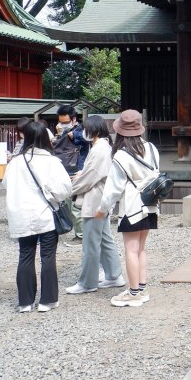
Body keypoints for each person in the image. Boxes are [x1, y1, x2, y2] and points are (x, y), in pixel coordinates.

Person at [3, 121, 72, 313]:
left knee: (25, 256)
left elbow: (7, 185)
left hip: (21, 216)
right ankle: (47, 300)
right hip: (45, 216)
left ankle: (25, 301)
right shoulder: (51, 162)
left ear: (25, 137)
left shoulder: (15, 163)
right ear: (45, 138)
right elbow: (65, 189)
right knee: (47, 257)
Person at [95, 110, 159, 308]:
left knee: (130, 249)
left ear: (120, 131)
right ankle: (141, 288)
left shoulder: (121, 156)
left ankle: (133, 294)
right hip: (150, 204)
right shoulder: (151, 148)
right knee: (140, 248)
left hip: (132, 206)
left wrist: (102, 209)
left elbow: (113, 189)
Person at [66, 115, 125, 295]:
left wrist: (70, 188)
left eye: (86, 129)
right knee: (104, 239)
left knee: (90, 243)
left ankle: (87, 283)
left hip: (94, 201)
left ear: (94, 130)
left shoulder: (100, 150)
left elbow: (91, 175)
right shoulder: (102, 147)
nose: (83, 132)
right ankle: (114, 275)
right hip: (100, 199)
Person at [55, 105, 89, 242]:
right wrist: (60, 134)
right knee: (67, 203)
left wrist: (72, 134)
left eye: (65, 122)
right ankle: (78, 231)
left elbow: (86, 138)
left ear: (74, 119)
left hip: (78, 171)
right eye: (60, 122)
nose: (62, 125)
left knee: (76, 204)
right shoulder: (64, 131)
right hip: (66, 171)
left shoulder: (81, 130)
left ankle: (81, 235)